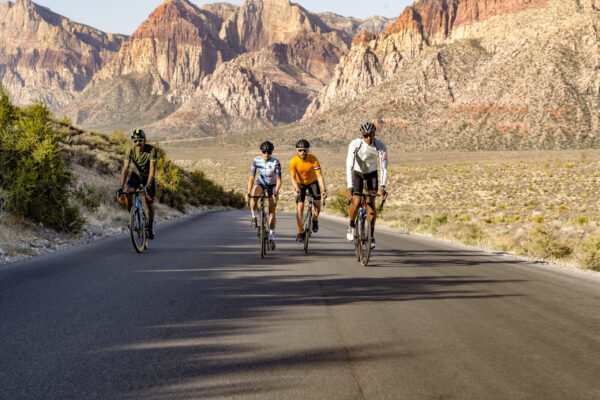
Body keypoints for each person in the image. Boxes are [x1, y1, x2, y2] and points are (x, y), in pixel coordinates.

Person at [346, 122, 389, 248]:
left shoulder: (380, 146)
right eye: (366, 135)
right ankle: (351, 226)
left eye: (371, 135)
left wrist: (382, 187)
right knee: (357, 200)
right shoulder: (355, 144)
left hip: (371, 173)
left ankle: (371, 236)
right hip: (357, 172)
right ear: (361, 135)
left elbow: (384, 168)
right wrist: (350, 186)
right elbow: (349, 165)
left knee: (371, 203)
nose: (369, 138)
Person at [118, 129, 158, 239]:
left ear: (144, 140)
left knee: (149, 203)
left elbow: (152, 169)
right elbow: (125, 170)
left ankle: (150, 226)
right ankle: (132, 216)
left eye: (140, 140)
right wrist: (121, 187)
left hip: (147, 177)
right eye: (135, 141)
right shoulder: (130, 150)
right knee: (127, 193)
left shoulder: (152, 150)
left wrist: (149, 184)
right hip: (135, 176)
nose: (138, 143)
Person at [290, 139, 327, 242]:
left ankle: (315, 220)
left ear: (308, 150)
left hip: (312, 183)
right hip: (300, 184)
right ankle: (299, 232)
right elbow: (292, 177)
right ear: (297, 150)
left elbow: (319, 176)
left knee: (317, 204)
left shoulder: (313, 159)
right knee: (300, 207)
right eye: (300, 150)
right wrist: (296, 189)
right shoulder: (293, 161)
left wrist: (323, 190)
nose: (303, 152)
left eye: (305, 150)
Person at [247, 141, 282, 250]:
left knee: (272, 212)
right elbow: (252, 177)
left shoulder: (276, 162)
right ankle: (254, 217)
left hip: (272, 185)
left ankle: (271, 237)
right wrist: (248, 192)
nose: (266, 154)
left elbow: (279, 179)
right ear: (261, 152)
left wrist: (276, 192)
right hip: (261, 183)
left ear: (271, 152)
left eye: (269, 152)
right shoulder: (256, 160)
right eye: (264, 152)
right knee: (253, 197)